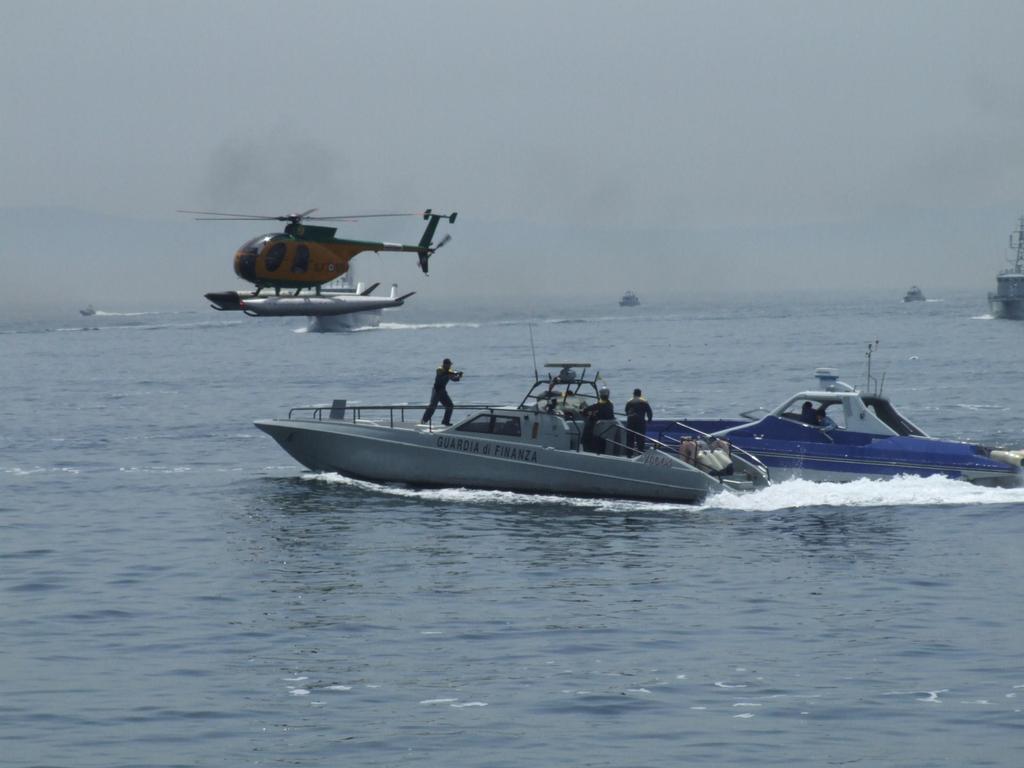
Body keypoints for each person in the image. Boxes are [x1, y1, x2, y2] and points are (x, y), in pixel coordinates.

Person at [421, 358, 463, 426]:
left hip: (443, 391)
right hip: (436, 390)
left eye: (450, 365)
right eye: (449, 364)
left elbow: (454, 379)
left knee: (450, 405)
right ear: (445, 364)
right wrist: (454, 373)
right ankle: (424, 421)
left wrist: (459, 376)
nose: (450, 366)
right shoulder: (439, 369)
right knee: (432, 406)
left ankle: (445, 422)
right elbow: (444, 373)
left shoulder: (449, 371)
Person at [581, 386, 615, 454]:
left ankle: (586, 447)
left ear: (600, 395)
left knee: (588, 428)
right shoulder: (610, 405)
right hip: (608, 428)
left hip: (600, 429)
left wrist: (586, 412)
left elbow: (586, 410)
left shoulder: (598, 405)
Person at [624, 388, 654, 455]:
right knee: (640, 437)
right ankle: (640, 452)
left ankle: (629, 453)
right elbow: (649, 412)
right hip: (640, 422)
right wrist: (649, 419)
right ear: (640, 394)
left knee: (630, 438)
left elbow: (626, 412)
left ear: (633, 394)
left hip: (630, 421)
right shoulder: (644, 401)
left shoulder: (629, 401)